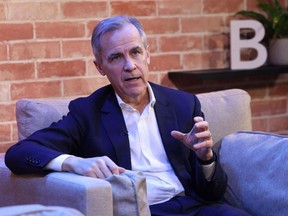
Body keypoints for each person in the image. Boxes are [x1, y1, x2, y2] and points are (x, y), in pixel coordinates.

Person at [5, 15, 250, 216]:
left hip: (194, 206)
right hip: (143, 210)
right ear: (100, 66)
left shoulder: (184, 104)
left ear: (148, 54)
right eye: (116, 57)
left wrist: (205, 158)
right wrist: (74, 163)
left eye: (135, 52)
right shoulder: (87, 112)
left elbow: (213, 193)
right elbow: (18, 154)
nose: (130, 66)